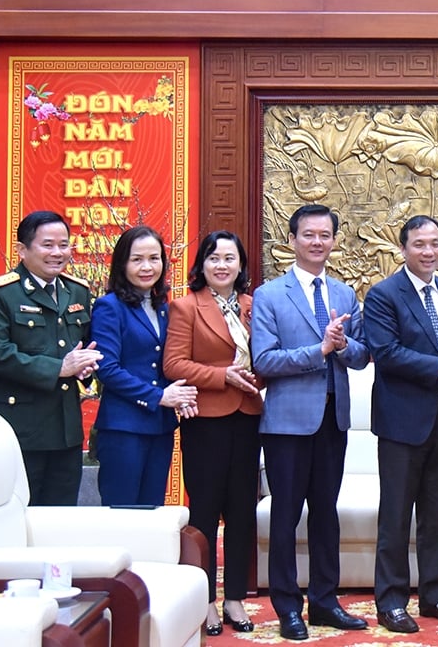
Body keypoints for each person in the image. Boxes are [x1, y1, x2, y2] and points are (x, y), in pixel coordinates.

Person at [251, 204, 371, 641]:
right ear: (293, 240)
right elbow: (264, 360)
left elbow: (361, 355)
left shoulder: (343, 294)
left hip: (332, 419)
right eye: (308, 235)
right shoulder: (269, 295)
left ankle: (325, 601)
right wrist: (318, 351)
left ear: (334, 240)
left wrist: (340, 348)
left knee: (326, 514)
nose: (317, 242)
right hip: (286, 425)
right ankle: (287, 607)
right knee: (285, 515)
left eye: (325, 235)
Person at [363, 215, 438, 634]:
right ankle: (392, 601)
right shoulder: (383, 295)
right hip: (402, 423)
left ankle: (434, 593)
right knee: (396, 516)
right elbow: (386, 352)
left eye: (435, 244)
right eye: (419, 244)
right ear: (403, 249)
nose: (428, 252)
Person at [163, 230, 263, 636]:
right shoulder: (186, 308)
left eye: (229, 258)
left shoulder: (252, 306)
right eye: (214, 258)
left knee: (243, 511)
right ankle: (204, 601)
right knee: (204, 513)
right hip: (206, 419)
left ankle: (236, 598)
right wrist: (224, 376)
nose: (222, 265)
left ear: (241, 265)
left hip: (248, 416)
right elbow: (174, 364)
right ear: (201, 265)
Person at [0, 210, 103, 506]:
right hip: (19, 430)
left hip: (66, 431)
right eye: (47, 245)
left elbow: (82, 346)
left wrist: (85, 367)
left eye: (64, 245)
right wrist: (60, 367)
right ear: (22, 250)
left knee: (60, 520)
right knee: (16, 517)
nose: (57, 253)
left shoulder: (77, 291)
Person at [91, 225, 197, 506]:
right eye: (137, 259)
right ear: (122, 263)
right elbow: (107, 369)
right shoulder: (109, 306)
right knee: (123, 513)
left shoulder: (164, 306)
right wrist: (160, 396)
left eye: (154, 258)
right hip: (123, 427)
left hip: (159, 427)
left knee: (152, 513)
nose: (147, 267)